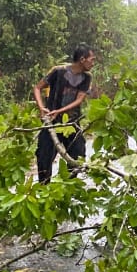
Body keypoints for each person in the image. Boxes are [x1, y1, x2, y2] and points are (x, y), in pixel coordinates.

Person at [32, 44, 96, 184]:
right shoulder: (58, 71)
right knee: (44, 157)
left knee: (78, 155)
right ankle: (44, 189)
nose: (93, 63)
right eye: (91, 59)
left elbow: (79, 100)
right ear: (82, 59)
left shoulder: (87, 77)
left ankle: (68, 188)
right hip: (51, 122)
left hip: (72, 123)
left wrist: (59, 111)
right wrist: (42, 108)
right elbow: (37, 88)